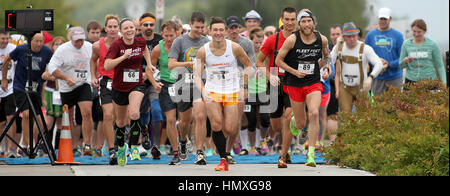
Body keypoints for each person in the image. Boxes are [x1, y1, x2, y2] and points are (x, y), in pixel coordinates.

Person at [275, 9, 332, 167]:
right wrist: (294, 72)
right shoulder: (292, 40)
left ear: (314, 22)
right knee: (300, 124)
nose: (307, 24)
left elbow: (326, 56)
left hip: (313, 82)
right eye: (303, 21)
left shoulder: (322, 39)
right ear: (299, 24)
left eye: (309, 21)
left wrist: (325, 68)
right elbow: (279, 60)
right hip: (294, 83)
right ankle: (295, 121)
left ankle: (311, 155)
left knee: (314, 113)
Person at [194, 17, 252, 171]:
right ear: (209, 31)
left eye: (221, 30)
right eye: (215, 30)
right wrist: (203, 90)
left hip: (232, 90)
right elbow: (197, 75)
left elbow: (248, 65)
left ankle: (224, 152)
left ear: (225, 31)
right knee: (216, 124)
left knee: (231, 128)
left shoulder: (234, 48)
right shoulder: (203, 51)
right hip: (212, 91)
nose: (218, 33)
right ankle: (223, 159)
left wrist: (243, 86)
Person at [104, 18, 155, 166]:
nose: (129, 30)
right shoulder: (116, 45)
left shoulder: (140, 41)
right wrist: (123, 56)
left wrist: (150, 64)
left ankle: (134, 147)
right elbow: (107, 65)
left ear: (135, 28)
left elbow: (145, 49)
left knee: (134, 113)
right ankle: (121, 148)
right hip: (119, 86)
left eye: (131, 27)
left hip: (136, 84)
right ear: (121, 31)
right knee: (120, 122)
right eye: (125, 28)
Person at [256, 7, 297, 168]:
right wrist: (269, 76)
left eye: (293, 19)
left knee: (288, 118)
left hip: (293, 81)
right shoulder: (273, 39)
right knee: (276, 125)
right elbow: (259, 62)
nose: (289, 22)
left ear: (296, 21)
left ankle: (283, 154)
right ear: (282, 20)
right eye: (287, 19)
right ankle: (283, 144)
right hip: (274, 80)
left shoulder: (301, 39)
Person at [168, 11, 210, 165]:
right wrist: (187, 64)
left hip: (201, 84)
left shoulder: (207, 42)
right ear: (190, 24)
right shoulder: (179, 41)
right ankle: (183, 141)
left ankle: (199, 152)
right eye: (197, 27)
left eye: (202, 27)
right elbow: (171, 64)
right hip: (183, 85)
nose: (200, 30)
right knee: (185, 121)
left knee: (200, 117)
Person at [2, 32, 53, 154]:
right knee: (26, 114)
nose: (39, 44)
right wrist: (4, 79)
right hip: (20, 86)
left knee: (41, 120)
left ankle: (33, 144)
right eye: (36, 41)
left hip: (36, 87)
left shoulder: (46, 51)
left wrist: (49, 74)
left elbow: (54, 65)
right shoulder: (21, 49)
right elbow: (7, 59)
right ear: (31, 41)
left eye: (41, 41)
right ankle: (26, 145)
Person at [47, 26, 94, 156]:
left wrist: (94, 77)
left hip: (83, 84)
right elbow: (52, 67)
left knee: (87, 112)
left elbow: (96, 60)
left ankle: (87, 145)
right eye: (76, 40)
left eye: (81, 40)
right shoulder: (63, 49)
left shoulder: (89, 47)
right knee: (70, 117)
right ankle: (72, 145)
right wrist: (65, 77)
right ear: (70, 39)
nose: (79, 43)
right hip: (67, 87)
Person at [331, 22, 383, 113]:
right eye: (349, 36)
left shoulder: (365, 48)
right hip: (345, 87)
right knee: (345, 117)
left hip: (361, 87)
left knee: (363, 117)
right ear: (343, 37)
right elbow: (330, 61)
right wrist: (336, 47)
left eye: (354, 36)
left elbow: (379, 64)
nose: (352, 39)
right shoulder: (339, 48)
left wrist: (371, 77)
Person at [90, 14, 120, 165]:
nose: (113, 29)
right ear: (105, 28)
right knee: (108, 116)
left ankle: (123, 145)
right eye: (110, 27)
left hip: (122, 82)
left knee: (121, 118)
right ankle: (112, 150)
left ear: (118, 28)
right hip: (105, 81)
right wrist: (93, 76)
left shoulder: (125, 43)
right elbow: (93, 59)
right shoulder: (97, 45)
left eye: (115, 26)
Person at [147, 20, 179, 160]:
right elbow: (150, 70)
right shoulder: (158, 49)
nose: (168, 39)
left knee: (184, 120)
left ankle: (183, 142)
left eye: (171, 35)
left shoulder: (181, 46)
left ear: (176, 34)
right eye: (165, 35)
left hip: (182, 84)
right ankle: (176, 151)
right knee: (170, 119)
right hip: (166, 85)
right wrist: (155, 83)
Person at [225, 15, 256, 160]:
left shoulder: (247, 44)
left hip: (241, 85)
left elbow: (253, 66)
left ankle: (229, 150)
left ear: (239, 28)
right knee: (221, 119)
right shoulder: (220, 44)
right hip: (222, 84)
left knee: (237, 119)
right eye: (231, 28)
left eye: (236, 27)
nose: (234, 30)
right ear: (226, 30)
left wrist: (244, 79)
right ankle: (219, 147)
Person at [137, 12, 164, 158]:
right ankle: (141, 138)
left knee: (157, 111)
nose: (148, 27)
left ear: (155, 26)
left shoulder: (160, 40)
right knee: (139, 114)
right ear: (140, 26)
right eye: (145, 25)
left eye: (151, 25)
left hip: (155, 82)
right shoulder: (134, 40)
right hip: (137, 82)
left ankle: (156, 146)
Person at [365, 7, 404, 96]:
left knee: (395, 106)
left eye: (385, 19)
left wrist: (388, 64)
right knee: (379, 106)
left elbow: (401, 57)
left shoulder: (398, 36)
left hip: (394, 77)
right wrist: (377, 64)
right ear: (378, 18)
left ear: (390, 19)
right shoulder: (370, 36)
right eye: (381, 18)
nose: (382, 21)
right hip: (377, 77)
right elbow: (366, 56)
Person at [399, 19, 447, 86]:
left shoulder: (432, 45)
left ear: (424, 31)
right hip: (410, 81)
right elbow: (401, 65)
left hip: (430, 81)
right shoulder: (406, 44)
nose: (416, 34)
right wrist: (405, 61)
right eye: (414, 31)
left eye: (419, 32)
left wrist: (444, 82)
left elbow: (440, 65)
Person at [247, 27, 271, 155]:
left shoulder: (265, 54)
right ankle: (252, 146)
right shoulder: (247, 54)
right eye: (255, 42)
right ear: (251, 41)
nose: (258, 45)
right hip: (250, 90)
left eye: (260, 42)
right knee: (251, 120)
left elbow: (269, 68)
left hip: (262, 89)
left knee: (265, 119)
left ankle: (263, 141)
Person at [0, 29, 18, 158]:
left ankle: (12, 149)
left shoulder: (13, 48)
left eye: (7, 38)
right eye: (2, 39)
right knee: (0, 122)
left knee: (11, 118)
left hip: (11, 87)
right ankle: (1, 148)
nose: (5, 41)